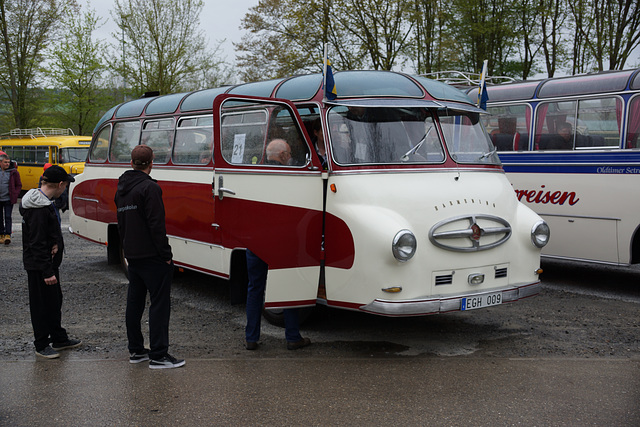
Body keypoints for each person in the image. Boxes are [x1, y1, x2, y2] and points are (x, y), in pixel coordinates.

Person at [114, 144, 184, 369]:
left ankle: (136, 350)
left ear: (131, 162)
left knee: (134, 303)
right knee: (159, 305)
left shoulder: (122, 188)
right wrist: (166, 255)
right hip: (152, 255)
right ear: (152, 162)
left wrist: (126, 249)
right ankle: (159, 354)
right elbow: (156, 225)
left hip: (132, 254)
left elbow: (122, 223)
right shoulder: (149, 188)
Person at [244, 139, 311, 351]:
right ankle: (292, 337)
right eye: (289, 153)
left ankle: (251, 337)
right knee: (288, 286)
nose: (291, 156)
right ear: (282, 155)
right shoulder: (290, 176)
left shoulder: (255, 174)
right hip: (282, 241)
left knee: (255, 288)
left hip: (256, 241)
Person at [20, 165, 81, 359]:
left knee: (54, 301)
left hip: (48, 262)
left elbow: (44, 235)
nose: (66, 189)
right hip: (40, 266)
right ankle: (41, 343)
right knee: (41, 305)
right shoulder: (38, 208)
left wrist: (54, 243)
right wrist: (46, 271)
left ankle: (58, 337)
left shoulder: (43, 202)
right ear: (60, 184)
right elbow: (36, 242)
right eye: (66, 185)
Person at [0, 153, 22, 245]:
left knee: (8, 216)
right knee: (0, 218)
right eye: (5, 162)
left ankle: (8, 234)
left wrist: (15, 194)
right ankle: (1, 234)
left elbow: (19, 185)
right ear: (0, 162)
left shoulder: (14, 172)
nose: (7, 164)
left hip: (9, 198)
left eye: (8, 162)